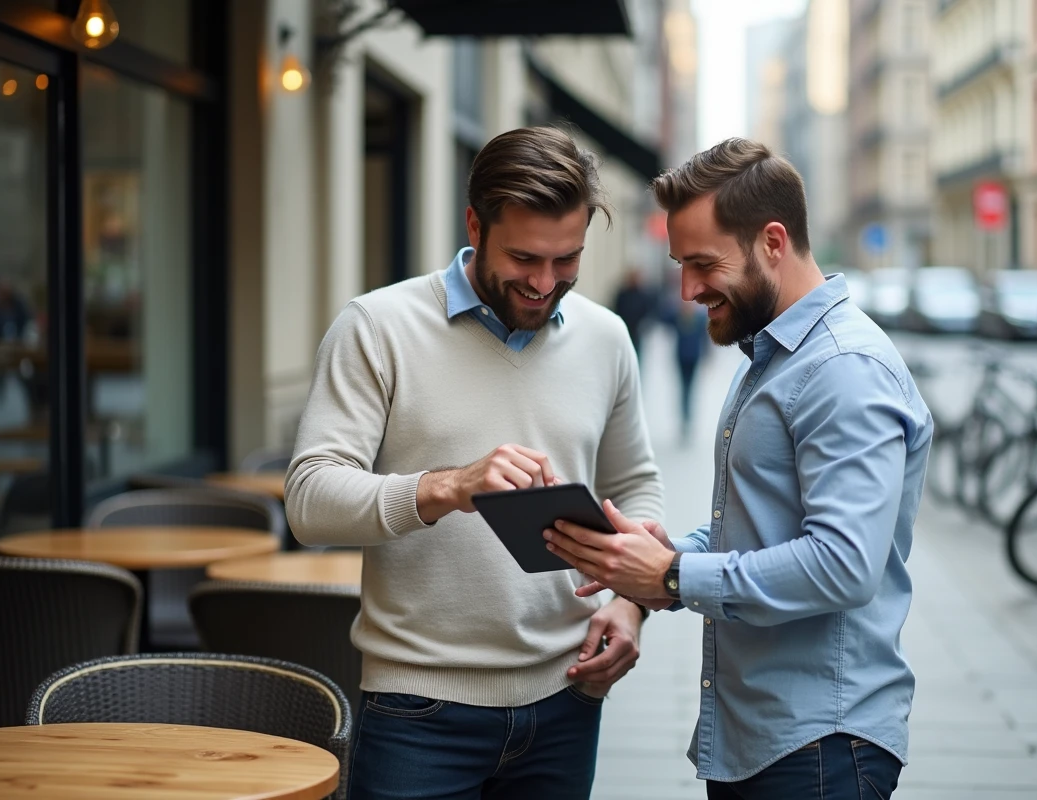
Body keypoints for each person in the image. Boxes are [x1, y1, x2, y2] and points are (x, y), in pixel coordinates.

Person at [545, 138, 933, 799]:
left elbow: (844, 563)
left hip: (820, 749)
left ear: (772, 242)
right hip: (772, 743)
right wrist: (659, 562)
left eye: (703, 264)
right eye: (679, 266)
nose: (689, 289)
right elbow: (763, 530)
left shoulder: (841, 369)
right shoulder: (776, 355)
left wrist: (672, 575)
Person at [285, 126, 664, 800]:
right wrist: (449, 485)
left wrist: (631, 604)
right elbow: (311, 501)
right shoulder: (376, 327)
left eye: (567, 259)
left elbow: (636, 483)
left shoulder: (607, 339)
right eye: (524, 257)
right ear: (474, 224)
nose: (545, 283)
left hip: (568, 699)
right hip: (417, 711)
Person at [670, 295, 709, 441]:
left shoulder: (699, 319)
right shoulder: (677, 316)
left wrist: (706, 354)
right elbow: (663, 318)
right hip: (681, 357)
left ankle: (688, 417)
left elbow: (704, 337)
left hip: (693, 357)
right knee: (683, 388)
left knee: (690, 388)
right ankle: (684, 417)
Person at [612, 268, 655, 359]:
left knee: (636, 353)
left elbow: (648, 311)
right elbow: (616, 308)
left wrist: (644, 324)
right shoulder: (623, 294)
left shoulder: (642, 294)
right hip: (625, 328)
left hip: (637, 330)